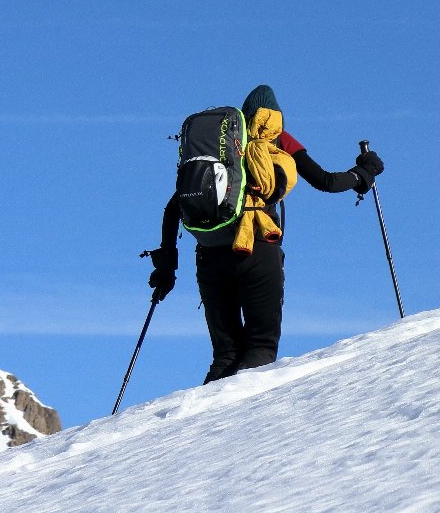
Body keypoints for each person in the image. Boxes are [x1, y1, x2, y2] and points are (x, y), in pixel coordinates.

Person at [147, 84, 384, 383]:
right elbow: (325, 181)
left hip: (210, 255)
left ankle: (199, 423)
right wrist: (363, 174)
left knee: (225, 355)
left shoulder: (226, 147)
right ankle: (240, 428)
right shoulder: (279, 139)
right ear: (274, 116)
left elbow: (174, 205)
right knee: (260, 347)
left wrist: (168, 263)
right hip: (257, 250)